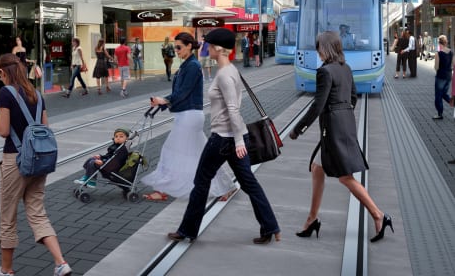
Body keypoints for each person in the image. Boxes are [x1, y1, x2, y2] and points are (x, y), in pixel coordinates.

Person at [168, 28, 281, 244]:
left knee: (201, 182)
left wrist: (238, 141)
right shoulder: (231, 70)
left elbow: (233, 110)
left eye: (209, 46)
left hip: (222, 138)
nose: (206, 49)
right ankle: (271, 227)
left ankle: (187, 230)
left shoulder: (224, 75)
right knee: (249, 184)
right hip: (234, 138)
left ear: (218, 48)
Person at [289, 31, 392, 243]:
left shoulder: (324, 72)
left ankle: (378, 215)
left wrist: (298, 129)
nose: (317, 51)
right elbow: (353, 97)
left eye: (319, 47)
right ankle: (311, 219)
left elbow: (318, 105)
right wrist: (342, 114)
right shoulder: (346, 68)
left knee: (345, 177)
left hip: (333, 129)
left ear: (325, 48)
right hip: (345, 124)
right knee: (317, 168)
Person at [0, 53, 72, 276]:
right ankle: (61, 263)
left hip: (15, 160)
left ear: (2, 72)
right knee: (38, 213)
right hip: (39, 162)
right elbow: (45, 128)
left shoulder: (6, 93)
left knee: (8, 216)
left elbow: (4, 131)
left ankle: (6, 271)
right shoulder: (36, 94)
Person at [143, 32, 233, 202]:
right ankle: (224, 187)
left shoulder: (192, 66)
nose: (176, 51)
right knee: (199, 155)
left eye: (179, 47)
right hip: (187, 115)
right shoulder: (187, 65)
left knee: (170, 151)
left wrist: (165, 100)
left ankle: (162, 189)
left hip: (189, 116)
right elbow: (180, 93)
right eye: (175, 47)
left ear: (189, 46)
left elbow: (184, 92)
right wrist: (162, 102)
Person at [431, 35, 452, 120]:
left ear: (439, 43)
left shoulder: (438, 53)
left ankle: (439, 114)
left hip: (440, 76)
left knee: (438, 95)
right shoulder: (451, 52)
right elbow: (453, 64)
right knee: (444, 94)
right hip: (449, 76)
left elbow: (436, 67)